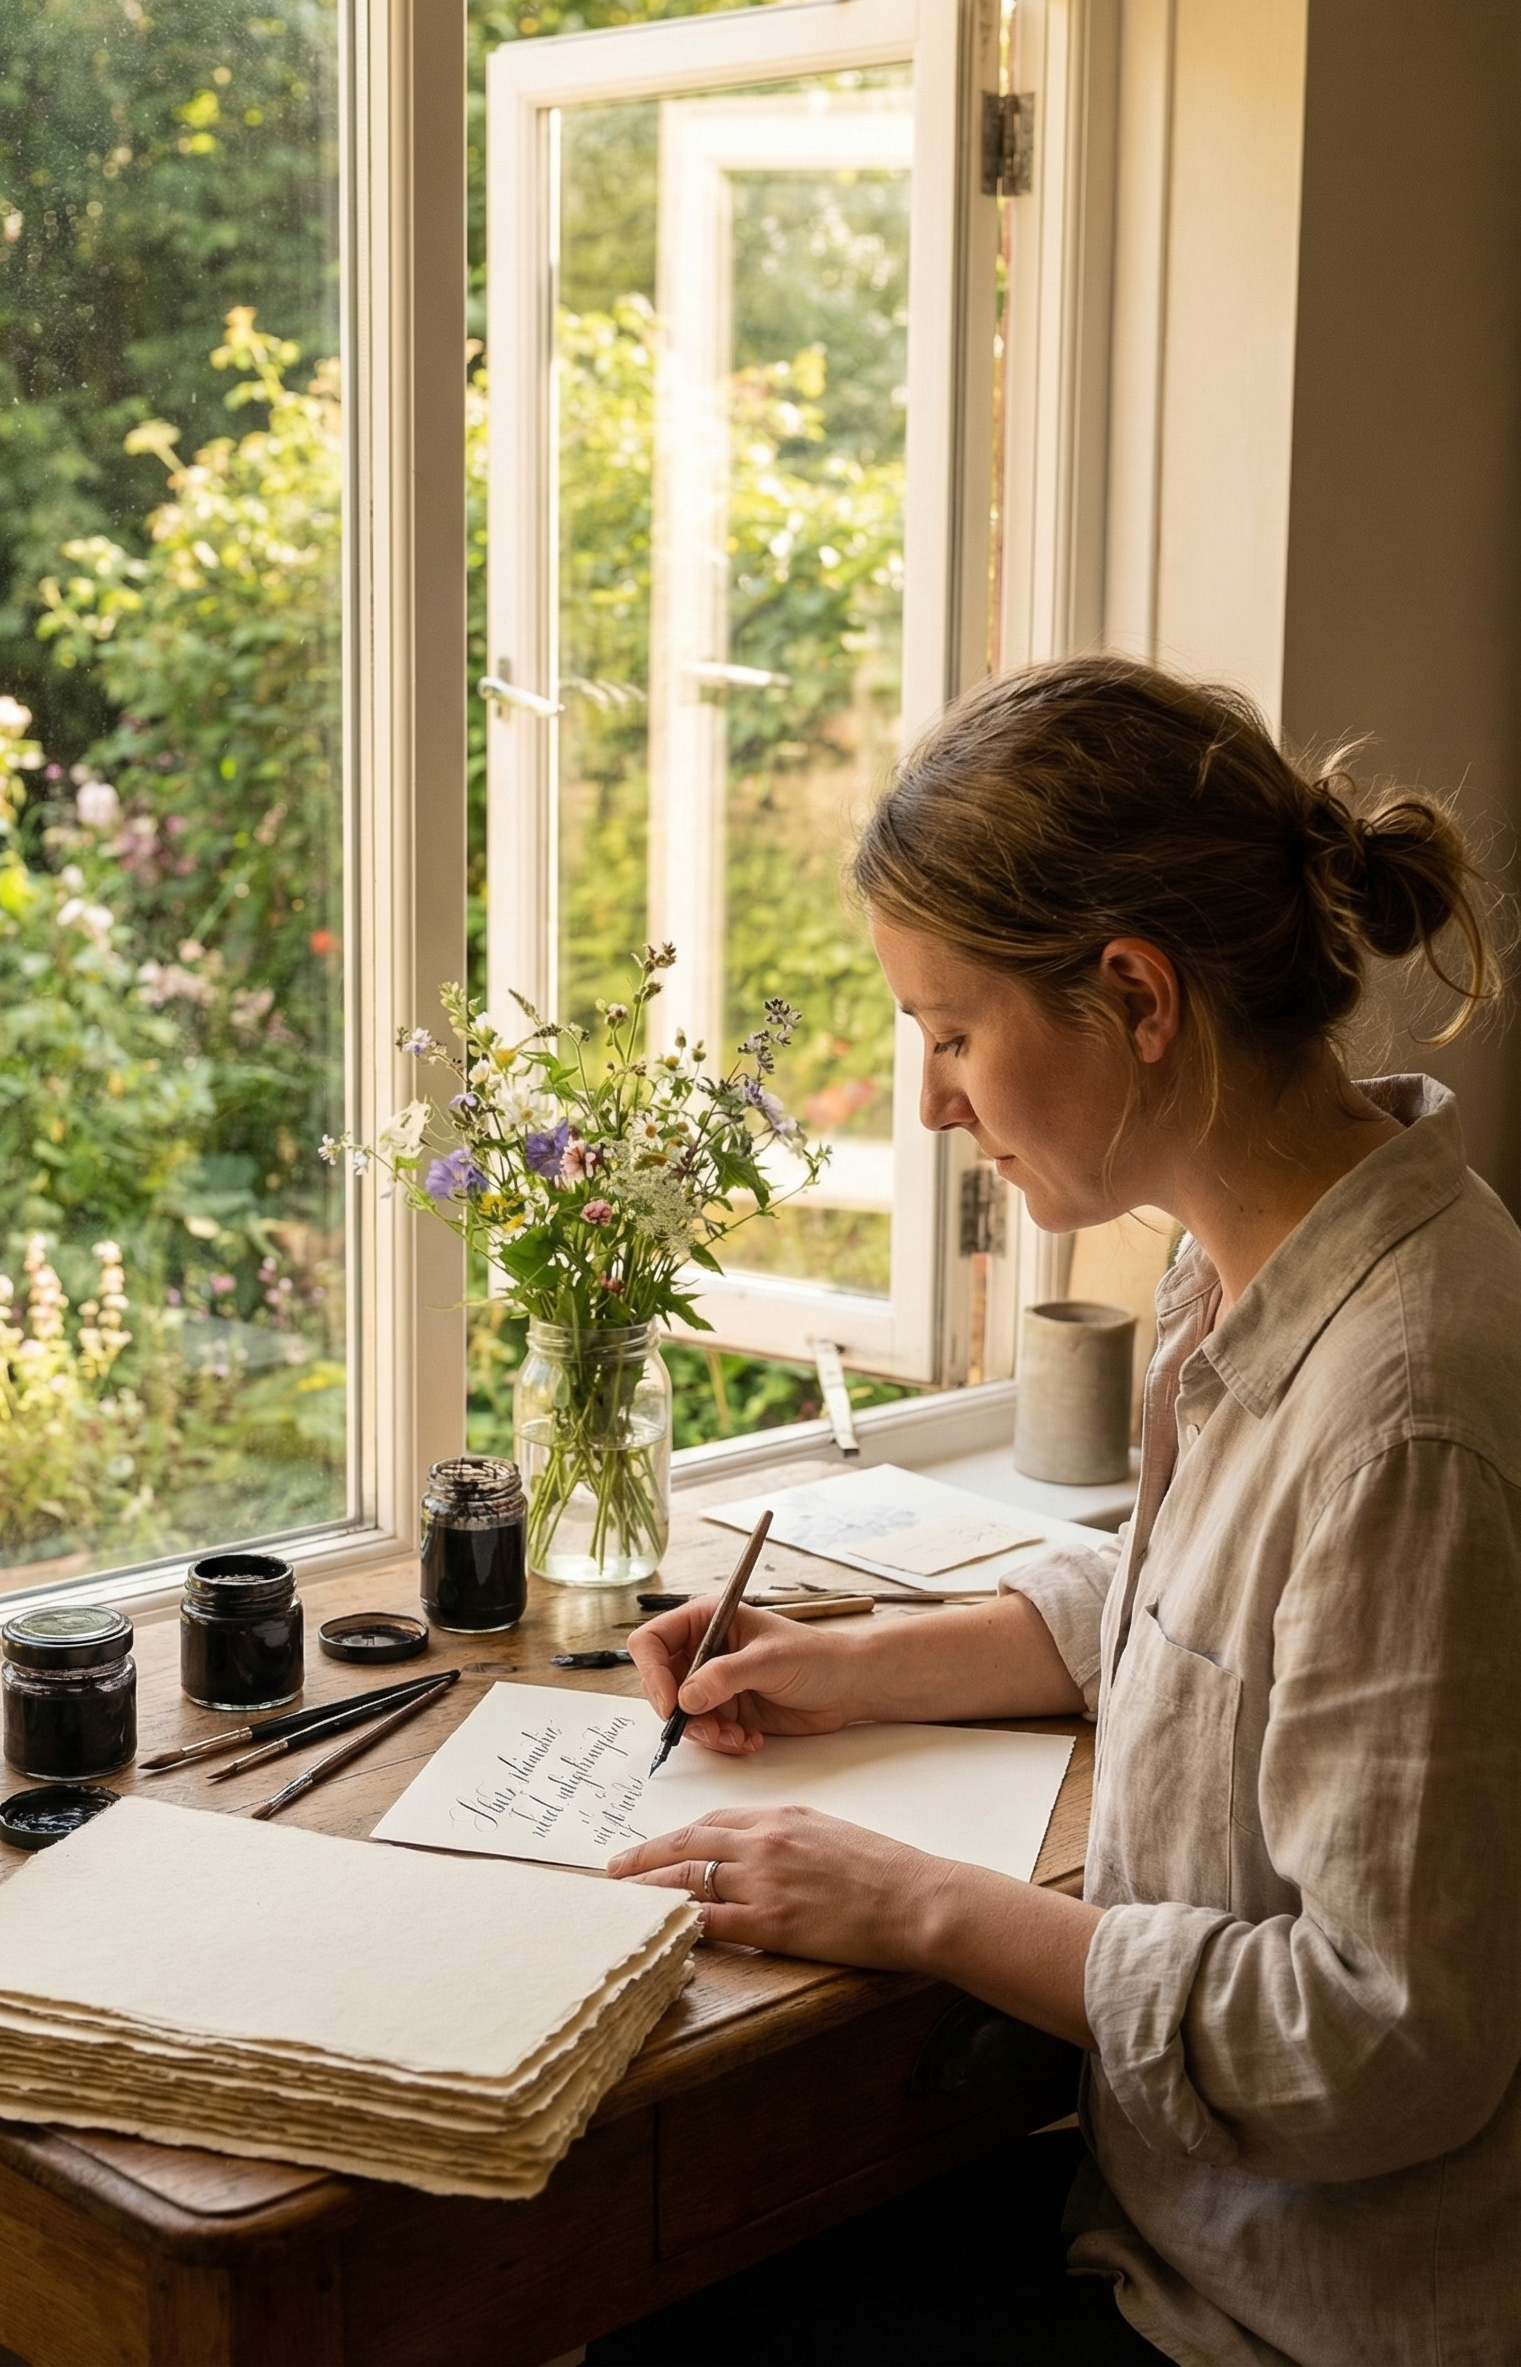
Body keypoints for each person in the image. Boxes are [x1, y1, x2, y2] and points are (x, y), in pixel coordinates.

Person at [603, 655, 1518, 2367]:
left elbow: (1384, 2039)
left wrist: (916, 1903)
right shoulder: (1247, 1267)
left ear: (1136, 998)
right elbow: (1193, 1606)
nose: (937, 1104)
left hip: (1281, 2322)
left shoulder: (1405, 1411)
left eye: (952, 1035)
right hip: (1164, 2219)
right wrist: (852, 1665)